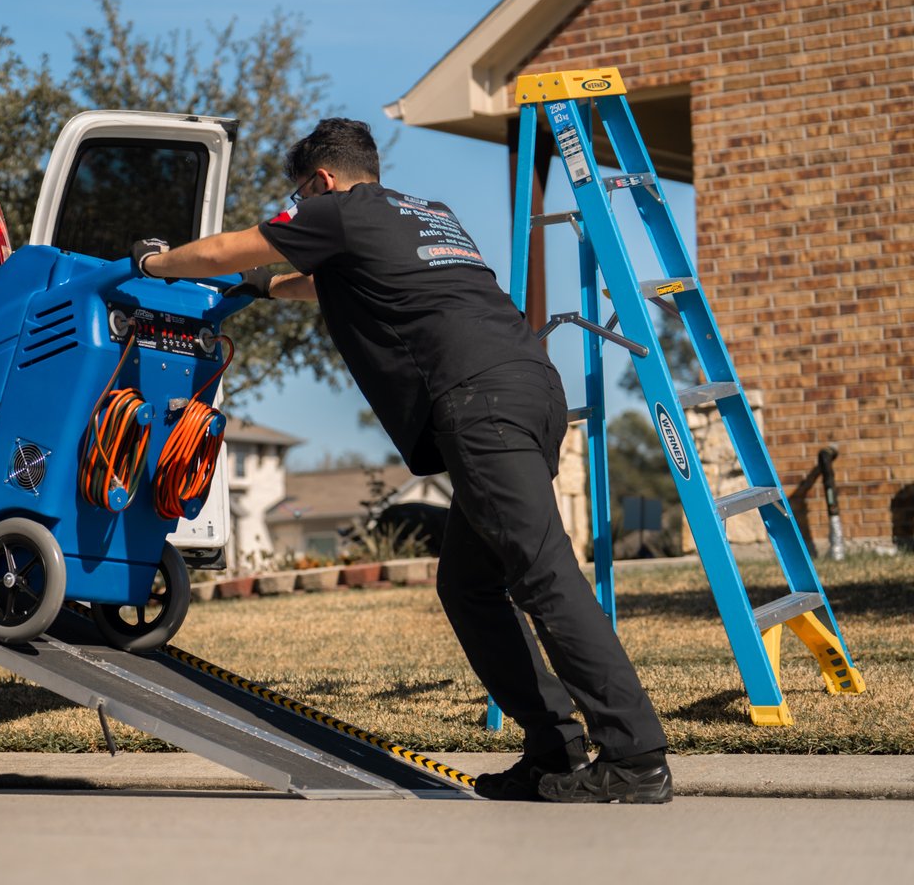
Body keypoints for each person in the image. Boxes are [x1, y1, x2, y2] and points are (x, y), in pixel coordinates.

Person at [132, 117, 671, 804]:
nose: (301, 208)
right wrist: (265, 289)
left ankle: (635, 757)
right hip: (529, 388)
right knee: (470, 587)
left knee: (543, 575)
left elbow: (219, 253)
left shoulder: (334, 212)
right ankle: (552, 750)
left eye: (302, 194)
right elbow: (327, 285)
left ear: (319, 181)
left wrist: (150, 263)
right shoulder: (426, 216)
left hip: (482, 405)